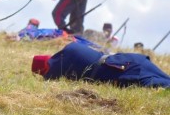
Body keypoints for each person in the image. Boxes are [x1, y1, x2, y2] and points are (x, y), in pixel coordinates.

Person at [32, 41, 170, 88]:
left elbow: (51, 79)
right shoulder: (70, 48)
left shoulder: (58, 66)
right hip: (129, 61)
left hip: (124, 71)